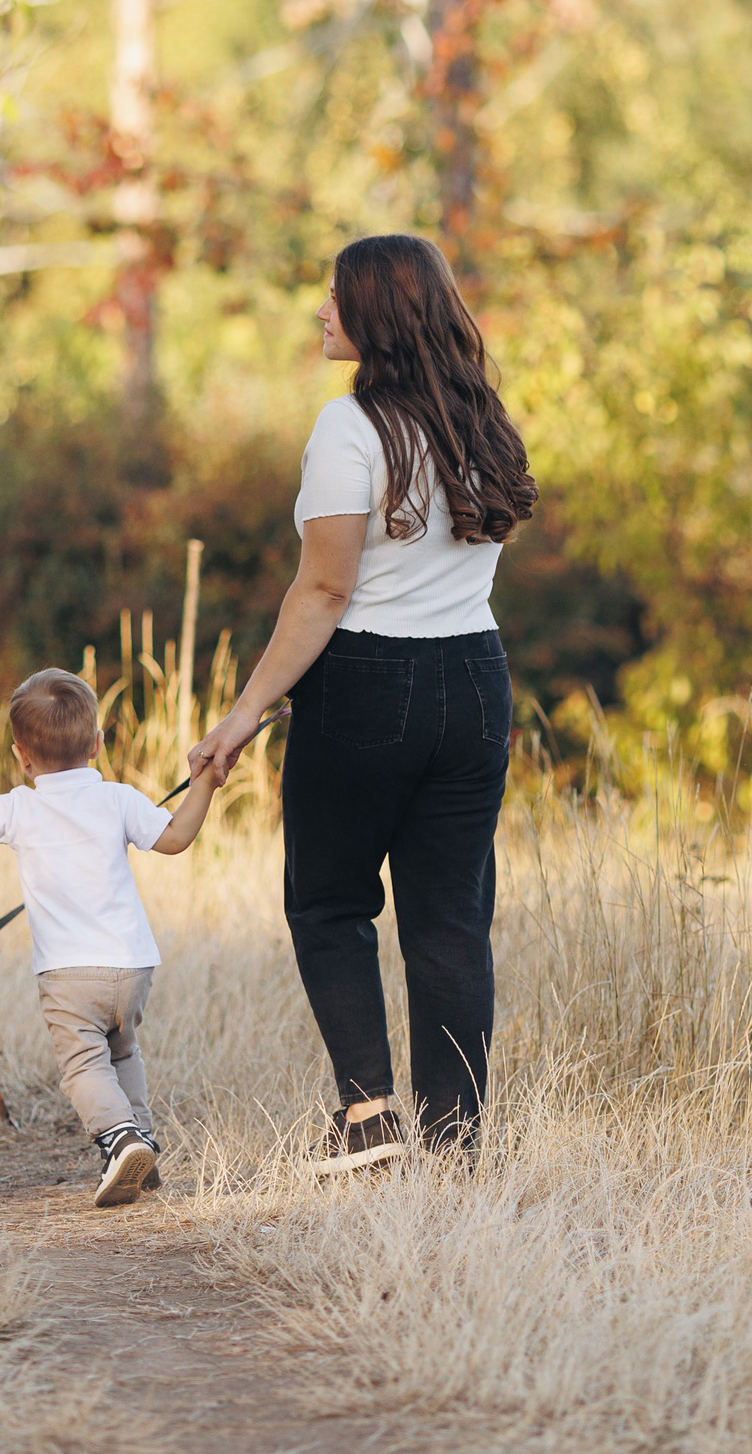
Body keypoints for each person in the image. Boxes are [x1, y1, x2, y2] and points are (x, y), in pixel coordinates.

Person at [190, 234, 536, 1173]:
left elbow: (323, 589)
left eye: (335, 297)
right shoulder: (482, 420)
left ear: (375, 314)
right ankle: (456, 1142)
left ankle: (372, 1120)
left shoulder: (350, 428)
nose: (321, 310)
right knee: (450, 917)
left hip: (370, 679)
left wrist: (244, 711)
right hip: (475, 678)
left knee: (330, 901)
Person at [0, 669, 222, 1207]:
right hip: (132, 967)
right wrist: (204, 782)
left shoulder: (20, 806)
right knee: (122, 1053)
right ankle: (142, 1141)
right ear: (98, 744)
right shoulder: (119, 798)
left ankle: (120, 1138)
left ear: (21, 757)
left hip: (68, 975)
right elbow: (176, 836)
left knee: (84, 1064)